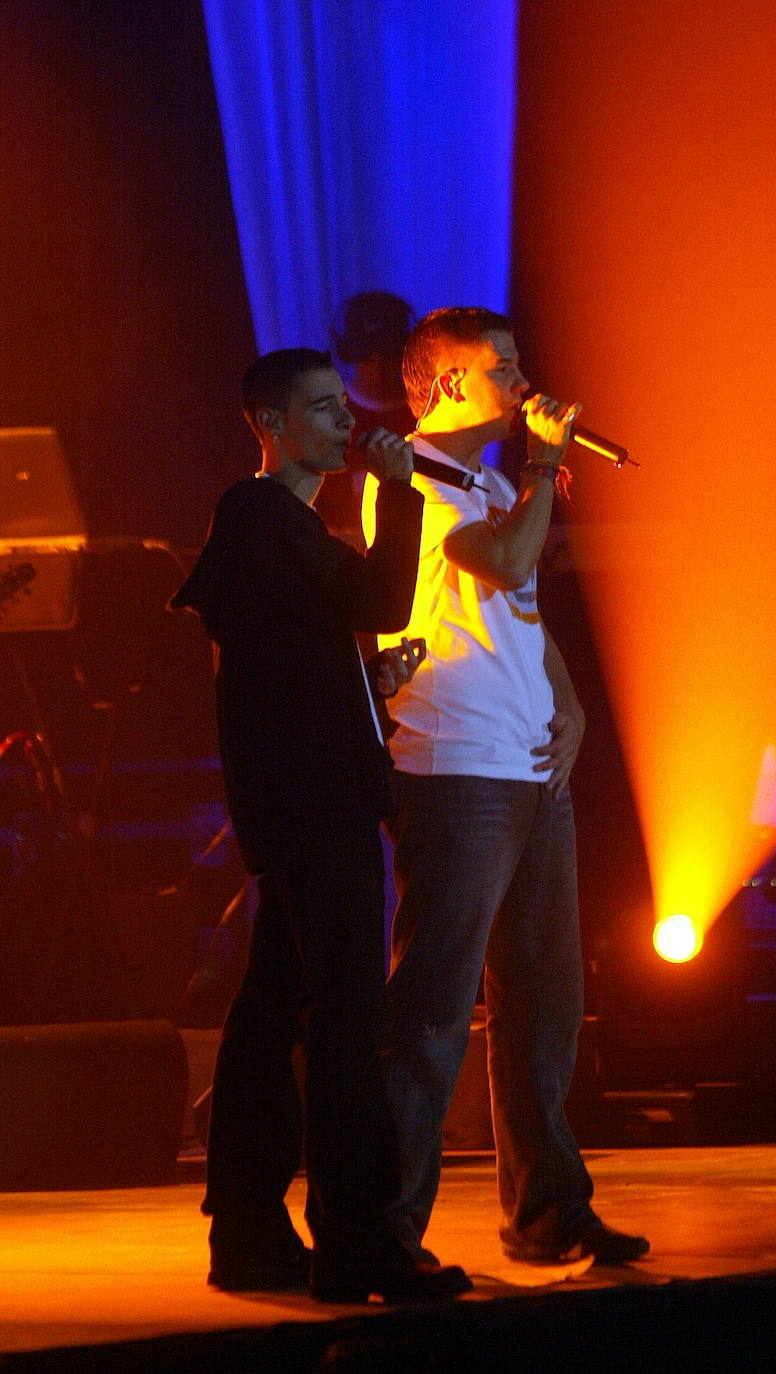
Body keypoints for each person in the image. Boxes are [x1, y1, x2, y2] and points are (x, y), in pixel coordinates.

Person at [170, 347, 470, 1304]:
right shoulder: (261, 516)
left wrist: (359, 687)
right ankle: (358, 1246)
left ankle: (251, 1233)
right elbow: (382, 599)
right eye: (323, 409)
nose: (347, 423)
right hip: (316, 810)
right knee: (345, 1021)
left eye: (344, 406)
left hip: (300, 805)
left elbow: (291, 661)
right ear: (269, 424)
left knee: (271, 1017)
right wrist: (402, 496)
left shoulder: (272, 530)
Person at [362, 308, 650, 1265]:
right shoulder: (411, 485)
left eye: (522, 361)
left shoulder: (484, 479)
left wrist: (566, 705)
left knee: (543, 1003)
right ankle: (386, 1230)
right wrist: (539, 468)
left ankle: (548, 1211)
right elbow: (510, 558)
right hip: (458, 772)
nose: (525, 382)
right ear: (446, 380)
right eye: (503, 367)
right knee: (436, 1010)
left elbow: (520, 610)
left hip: (529, 767)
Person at [315, 291, 417, 548]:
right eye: (370, 354)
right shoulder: (325, 415)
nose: (379, 363)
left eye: (388, 354)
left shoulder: (428, 414)